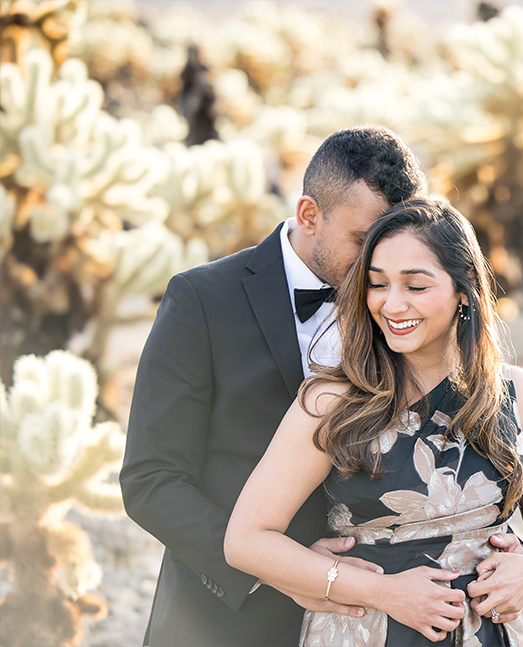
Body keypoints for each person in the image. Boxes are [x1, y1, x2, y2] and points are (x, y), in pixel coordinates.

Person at [121, 126, 431, 646]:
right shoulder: (202, 300)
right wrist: (278, 568)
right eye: (364, 241)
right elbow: (151, 480)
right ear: (310, 215)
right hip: (224, 617)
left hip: (369, 620)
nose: (381, 267)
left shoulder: (403, 308)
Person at [224, 198, 523, 646]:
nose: (392, 304)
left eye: (415, 286)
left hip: (486, 635)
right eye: (378, 284)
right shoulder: (333, 401)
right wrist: (384, 592)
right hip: (366, 632)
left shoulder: (517, 392)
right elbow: (247, 540)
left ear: (464, 289)